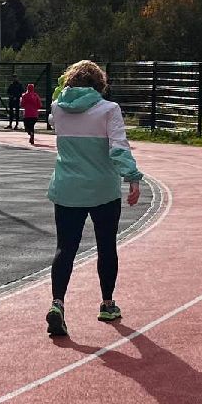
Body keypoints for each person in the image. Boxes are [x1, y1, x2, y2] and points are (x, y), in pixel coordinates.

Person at [44, 61, 143, 337]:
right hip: (102, 189)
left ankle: (57, 303)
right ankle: (107, 303)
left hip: (67, 188)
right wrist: (132, 177)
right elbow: (119, 147)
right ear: (100, 85)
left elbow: (53, 113)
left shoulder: (57, 110)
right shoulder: (109, 110)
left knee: (65, 248)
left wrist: (58, 92)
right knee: (106, 246)